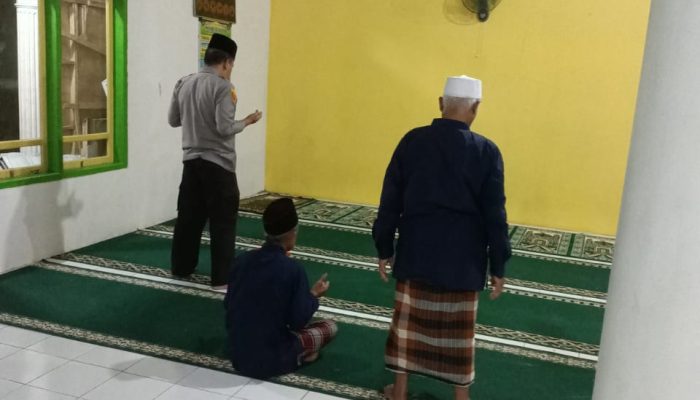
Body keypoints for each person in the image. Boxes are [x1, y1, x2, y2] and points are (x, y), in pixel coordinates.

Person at [372, 75, 511, 400]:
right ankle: (460, 397)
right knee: (458, 338)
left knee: (407, 329)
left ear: (440, 103)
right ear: (475, 108)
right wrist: (498, 265)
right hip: (463, 264)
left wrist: (384, 247)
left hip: (415, 254)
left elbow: (390, 200)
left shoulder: (412, 141)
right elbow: (495, 216)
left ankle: (400, 390)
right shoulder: (486, 151)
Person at [168, 33, 262, 290]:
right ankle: (221, 278)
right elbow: (224, 128)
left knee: (188, 219)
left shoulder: (183, 82)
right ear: (227, 62)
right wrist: (247, 121)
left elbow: (173, 120)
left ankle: (181, 268)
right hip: (219, 166)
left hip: (191, 163)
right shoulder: (224, 88)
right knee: (223, 222)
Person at [224, 198, 338, 379]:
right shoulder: (292, 269)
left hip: (238, 354)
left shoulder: (241, 260)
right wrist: (313, 296)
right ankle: (302, 356)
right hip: (273, 358)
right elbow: (298, 321)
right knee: (329, 326)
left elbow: (228, 305)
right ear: (293, 232)